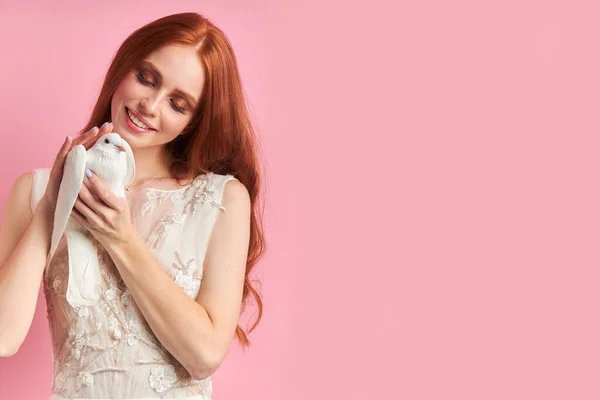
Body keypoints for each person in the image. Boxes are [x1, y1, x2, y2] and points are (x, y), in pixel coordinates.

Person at [0, 12, 265, 399]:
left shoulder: (220, 199)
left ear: (193, 122)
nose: (150, 105)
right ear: (123, 67)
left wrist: (121, 238)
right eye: (146, 78)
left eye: (178, 103)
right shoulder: (34, 190)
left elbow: (204, 356)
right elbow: (3, 337)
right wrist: (52, 203)